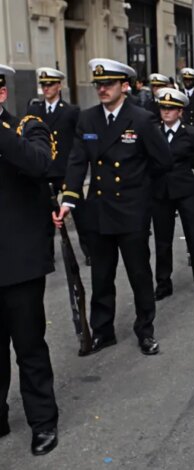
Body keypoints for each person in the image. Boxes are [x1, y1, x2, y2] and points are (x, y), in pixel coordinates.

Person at [53, 58, 173, 356]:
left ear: (125, 86)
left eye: (108, 84)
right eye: (98, 84)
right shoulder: (88, 119)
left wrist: (143, 194)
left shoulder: (142, 119)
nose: (102, 89)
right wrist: (68, 199)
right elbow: (78, 161)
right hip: (98, 209)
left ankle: (145, 330)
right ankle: (102, 331)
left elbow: (163, 162)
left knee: (139, 273)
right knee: (101, 275)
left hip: (132, 211)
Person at [0, 63, 59, 456]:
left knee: (29, 347)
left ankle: (43, 421)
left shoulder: (26, 128)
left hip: (18, 264)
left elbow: (42, 164)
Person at [150, 87, 194, 301]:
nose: (166, 112)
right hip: (160, 192)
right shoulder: (153, 132)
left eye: (171, 108)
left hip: (186, 191)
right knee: (163, 240)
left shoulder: (191, 133)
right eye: (163, 108)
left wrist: (187, 169)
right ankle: (163, 283)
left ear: (180, 112)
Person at [26, 67, 91, 264]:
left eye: (50, 84)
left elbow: (78, 140)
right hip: (44, 170)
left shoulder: (71, 111)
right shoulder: (34, 110)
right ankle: (46, 254)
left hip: (65, 170)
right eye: (43, 85)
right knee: (44, 214)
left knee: (79, 211)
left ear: (59, 86)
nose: (46, 88)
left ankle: (88, 251)